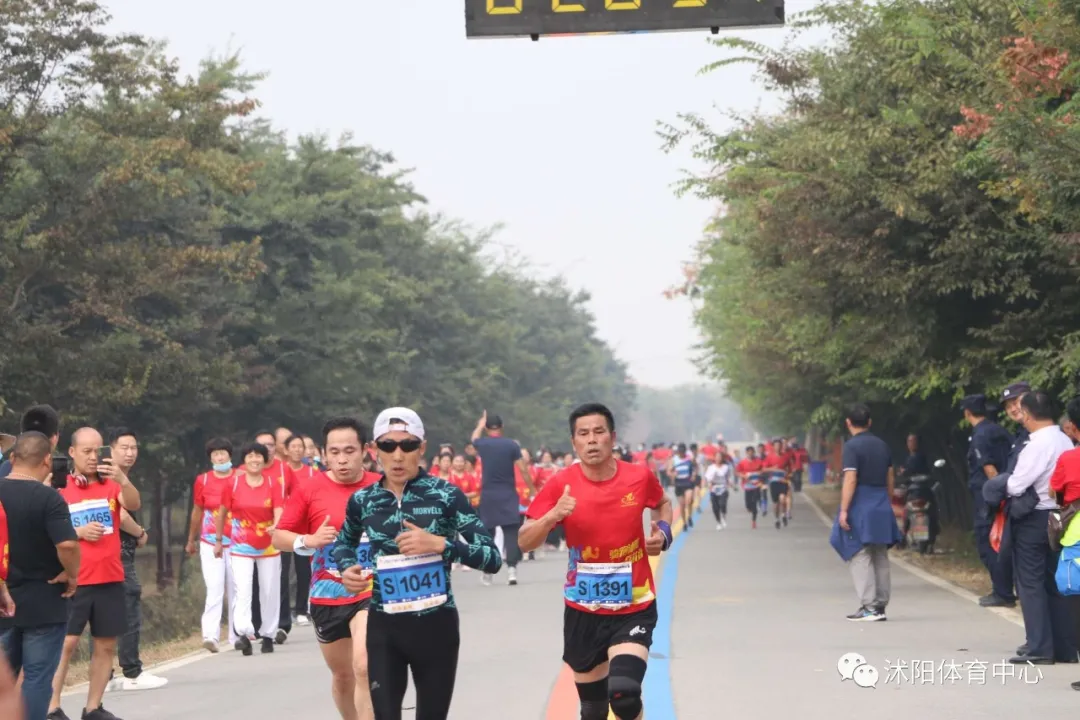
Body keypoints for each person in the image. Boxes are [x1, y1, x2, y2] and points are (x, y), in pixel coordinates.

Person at [333, 408, 502, 720]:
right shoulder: (363, 500)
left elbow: (491, 558)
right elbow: (343, 542)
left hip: (436, 626)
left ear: (422, 448)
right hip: (385, 627)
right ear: (374, 450)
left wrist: (443, 545)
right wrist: (346, 568)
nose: (398, 456)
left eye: (408, 446)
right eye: (388, 446)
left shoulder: (446, 495)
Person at [519, 403, 673, 720]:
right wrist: (552, 516)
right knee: (592, 709)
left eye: (599, 432)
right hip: (583, 609)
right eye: (583, 434)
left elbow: (663, 503)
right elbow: (524, 541)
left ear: (612, 437)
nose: (592, 440)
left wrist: (665, 533)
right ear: (574, 442)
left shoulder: (639, 477)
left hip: (634, 603)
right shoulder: (560, 484)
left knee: (625, 696)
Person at [274, 417, 381, 720]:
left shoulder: (383, 488)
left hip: (373, 590)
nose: (342, 458)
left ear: (366, 451)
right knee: (344, 676)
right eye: (334, 452)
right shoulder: (309, 489)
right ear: (323, 453)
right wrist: (309, 540)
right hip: (327, 594)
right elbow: (279, 536)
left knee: (363, 665)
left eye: (349, 450)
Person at [49, 428, 141, 720]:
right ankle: (52, 708)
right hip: (76, 578)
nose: (92, 457)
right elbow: (44, 529)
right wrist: (78, 532)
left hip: (110, 577)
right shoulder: (57, 488)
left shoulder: (112, 484)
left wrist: (122, 479)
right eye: (86, 451)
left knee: (105, 644)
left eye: (97, 451)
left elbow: (134, 503)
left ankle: (93, 707)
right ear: (72, 452)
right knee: (66, 644)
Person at [0, 432, 79, 720]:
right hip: (45, 599)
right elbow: (68, 544)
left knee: (4, 678)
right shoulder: (49, 499)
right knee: (36, 677)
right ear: (47, 460)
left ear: (11, 459)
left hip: (4, 596)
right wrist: (72, 575)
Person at [1004, 391, 1076, 664]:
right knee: (1054, 582)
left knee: (1030, 583)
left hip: (1034, 519)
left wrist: (1003, 484)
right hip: (1062, 518)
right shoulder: (1065, 440)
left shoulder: (1036, 445)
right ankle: (1065, 648)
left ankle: (1039, 648)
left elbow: (1016, 485)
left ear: (1028, 414)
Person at [101, 428, 164, 692]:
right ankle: (132, 671)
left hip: (112, 554)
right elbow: (121, 514)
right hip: (116, 554)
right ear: (111, 449)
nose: (130, 453)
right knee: (127, 608)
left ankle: (106, 675)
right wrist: (140, 532)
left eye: (134, 448)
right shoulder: (110, 477)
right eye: (124, 447)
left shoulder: (118, 476)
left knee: (106, 614)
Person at [829, 405, 903, 622]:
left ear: (848, 423)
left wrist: (844, 510)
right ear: (869, 422)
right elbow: (890, 478)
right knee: (880, 553)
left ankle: (869, 607)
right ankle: (880, 605)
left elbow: (851, 479)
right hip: (881, 501)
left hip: (861, 502)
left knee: (860, 553)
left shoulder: (852, 447)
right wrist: (887, 502)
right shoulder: (882, 445)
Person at [215, 442, 284, 656]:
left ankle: (268, 634)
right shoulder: (233, 485)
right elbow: (222, 512)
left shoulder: (273, 484)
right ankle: (244, 633)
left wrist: (277, 526)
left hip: (269, 545)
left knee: (269, 589)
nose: (254, 460)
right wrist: (218, 540)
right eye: (250, 456)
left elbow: (279, 509)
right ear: (243, 460)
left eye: (258, 457)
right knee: (242, 589)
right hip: (241, 545)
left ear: (264, 461)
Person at [962, 394, 1017, 609]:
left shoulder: (980, 435)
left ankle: (1002, 592)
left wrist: (997, 496)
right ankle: (1007, 587)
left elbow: (989, 468)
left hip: (989, 499)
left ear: (967, 413)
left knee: (988, 544)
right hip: (1009, 492)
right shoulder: (1000, 430)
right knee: (1002, 543)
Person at [184, 438, 238, 653]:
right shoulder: (203, 480)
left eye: (223, 453)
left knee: (236, 587)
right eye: (215, 454)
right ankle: (210, 635)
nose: (220, 457)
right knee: (214, 587)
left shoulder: (240, 478)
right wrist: (191, 539)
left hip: (237, 541)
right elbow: (197, 510)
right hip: (209, 541)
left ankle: (237, 634)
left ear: (230, 456)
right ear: (210, 458)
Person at [470, 412, 534, 587]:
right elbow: (523, 470)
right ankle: (512, 570)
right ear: (502, 427)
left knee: (488, 534)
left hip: (489, 495)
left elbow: (474, 438)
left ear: (487, 428)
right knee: (511, 533)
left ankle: (488, 571)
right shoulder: (511, 445)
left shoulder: (483, 444)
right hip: (508, 494)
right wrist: (533, 489)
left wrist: (479, 425)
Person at [252, 429, 295, 645]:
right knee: (255, 580)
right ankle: (257, 625)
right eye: (261, 446)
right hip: (252, 535)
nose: (266, 449)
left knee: (280, 576)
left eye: (270, 445)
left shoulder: (284, 469)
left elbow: (297, 496)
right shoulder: (244, 471)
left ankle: (282, 623)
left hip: (281, 530)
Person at [283, 434, 316, 627]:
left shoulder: (312, 473)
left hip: (305, 528)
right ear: (286, 450)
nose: (297, 450)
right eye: (293, 446)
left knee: (304, 570)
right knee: (284, 571)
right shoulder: (280, 472)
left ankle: (302, 609)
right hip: (285, 526)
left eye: (300, 447)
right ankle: (285, 610)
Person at [762, 440, 790, 530]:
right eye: (776, 445)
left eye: (779, 445)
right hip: (773, 482)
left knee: (783, 499)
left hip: (783, 481)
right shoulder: (769, 457)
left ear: (781, 446)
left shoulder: (785, 456)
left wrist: (786, 474)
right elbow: (764, 469)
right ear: (773, 447)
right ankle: (777, 519)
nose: (778, 447)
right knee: (776, 503)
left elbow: (789, 469)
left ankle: (784, 515)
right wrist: (772, 468)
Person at [735, 446, 764, 529]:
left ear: (754, 452)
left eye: (752, 452)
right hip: (747, 485)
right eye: (749, 452)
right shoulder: (742, 462)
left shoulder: (758, 461)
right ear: (746, 453)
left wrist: (759, 474)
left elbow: (763, 470)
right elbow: (737, 472)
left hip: (756, 485)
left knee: (754, 503)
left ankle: (754, 521)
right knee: (748, 505)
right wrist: (743, 476)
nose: (750, 453)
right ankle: (750, 508)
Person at [670, 444, 696, 530]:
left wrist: (693, 475)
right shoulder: (674, 460)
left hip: (688, 483)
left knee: (689, 500)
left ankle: (689, 517)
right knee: (682, 505)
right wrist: (673, 475)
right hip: (679, 484)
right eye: (679, 452)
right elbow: (669, 471)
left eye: (682, 452)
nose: (681, 454)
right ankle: (684, 522)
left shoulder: (689, 459)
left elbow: (694, 468)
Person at [705, 455, 732, 530]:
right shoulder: (711, 467)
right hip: (714, 488)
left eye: (720, 457)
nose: (718, 458)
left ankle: (723, 516)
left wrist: (731, 485)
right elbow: (708, 478)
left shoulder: (726, 467)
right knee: (715, 507)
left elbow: (728, 477)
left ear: (722, 458)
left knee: (722, 504)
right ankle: (718, 522)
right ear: (715, 458)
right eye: (717, 457)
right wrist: (709, 484)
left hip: (723, 487)